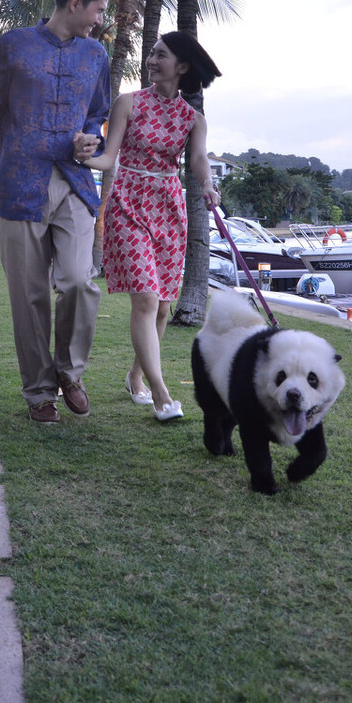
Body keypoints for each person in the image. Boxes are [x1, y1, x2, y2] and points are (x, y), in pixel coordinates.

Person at [0, 0, 113, 424]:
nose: (100, 19)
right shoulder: (12, 45)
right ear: (75, 4)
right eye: (98, 9)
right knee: (28, 294)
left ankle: (70, 372)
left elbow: (97, 113)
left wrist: (90, 137)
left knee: (78, 280)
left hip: (74, 182)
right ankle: (39, 393)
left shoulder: (96, 56)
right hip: (20, 183)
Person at [82, 31, 221, 421]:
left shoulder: (193, 119)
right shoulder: (128, 103)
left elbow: (197, 162)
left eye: (162, 55)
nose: (152, 59)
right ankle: (161, 392)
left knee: (161, 308)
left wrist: (208, 185)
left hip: (169, 207)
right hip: (128, 201)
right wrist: (81, 160)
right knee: (144, 298)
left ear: (182, 67)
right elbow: (109, 158)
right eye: (152, 53)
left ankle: (136, 377)